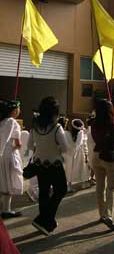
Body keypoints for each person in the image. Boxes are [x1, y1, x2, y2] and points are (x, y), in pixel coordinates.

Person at [28, 96, 68, 236]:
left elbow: (29, 145)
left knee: (44, 192)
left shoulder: (35, 126)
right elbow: (65, 148)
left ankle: (45, 220)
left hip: (39, 164)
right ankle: (44, 219)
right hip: (54, 165)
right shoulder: (57, 128)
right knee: (61, 190)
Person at [90, 99, 114, 231]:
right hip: (110, 158)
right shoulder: (111, 123)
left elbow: (94, 138)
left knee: (100, 187)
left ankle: (101, 214)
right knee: (112, 188)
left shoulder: (93, 123)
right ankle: (108, 215)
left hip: (97, 155)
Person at [0, 100, 23, 219]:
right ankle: (6, 210)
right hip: (9, 155)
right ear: (14, 111)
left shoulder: (2, 121)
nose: (20, 111)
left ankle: (5, 208)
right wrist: (17, 147)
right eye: (19, 109)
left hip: (2, 155)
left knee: (4, 180)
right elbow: (17, 143)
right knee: (9, 181)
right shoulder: (12, 122)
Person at [64, 119, 90, 192]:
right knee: (82, 168)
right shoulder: (81, 134)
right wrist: (86, 155)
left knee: (69, 169)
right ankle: (84, 183)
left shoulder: (66, 133)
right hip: (79, 154)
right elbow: (84, 145)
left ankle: (69, 185)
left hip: (69, 154)